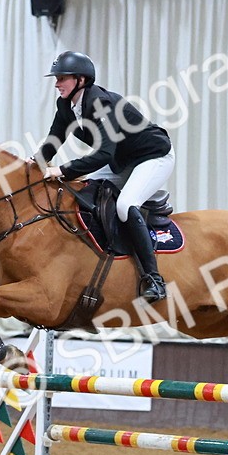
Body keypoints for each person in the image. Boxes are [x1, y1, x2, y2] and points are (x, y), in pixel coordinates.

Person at [31, 51, 173, 303]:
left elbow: (104, 153)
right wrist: (32, 166)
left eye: (62, 78)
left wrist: (61, 170)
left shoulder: (100, 104)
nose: (56, 83)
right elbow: (54, 140)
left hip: (153, 156)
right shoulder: (65, 105)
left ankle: (154, 279)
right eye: (57, 78)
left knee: (125, 205)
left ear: (81, 80)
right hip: (122, 161)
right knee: (83, 191)